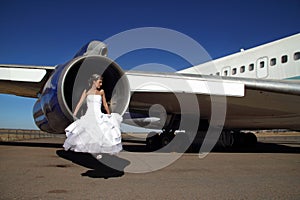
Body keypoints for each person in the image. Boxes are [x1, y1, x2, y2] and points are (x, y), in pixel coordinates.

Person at [63, 74, 122, 159]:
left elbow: (105, 104)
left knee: (101, 133)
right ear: (94, 82)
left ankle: (98, 151)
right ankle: (93, 151)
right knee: (88, 134)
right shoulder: (86, 91)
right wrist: (74, 114)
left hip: (98, 115)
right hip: (89, 115)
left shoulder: (101, 92)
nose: (101, 84)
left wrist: (109, 114)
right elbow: (80, 103)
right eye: (99, 82)